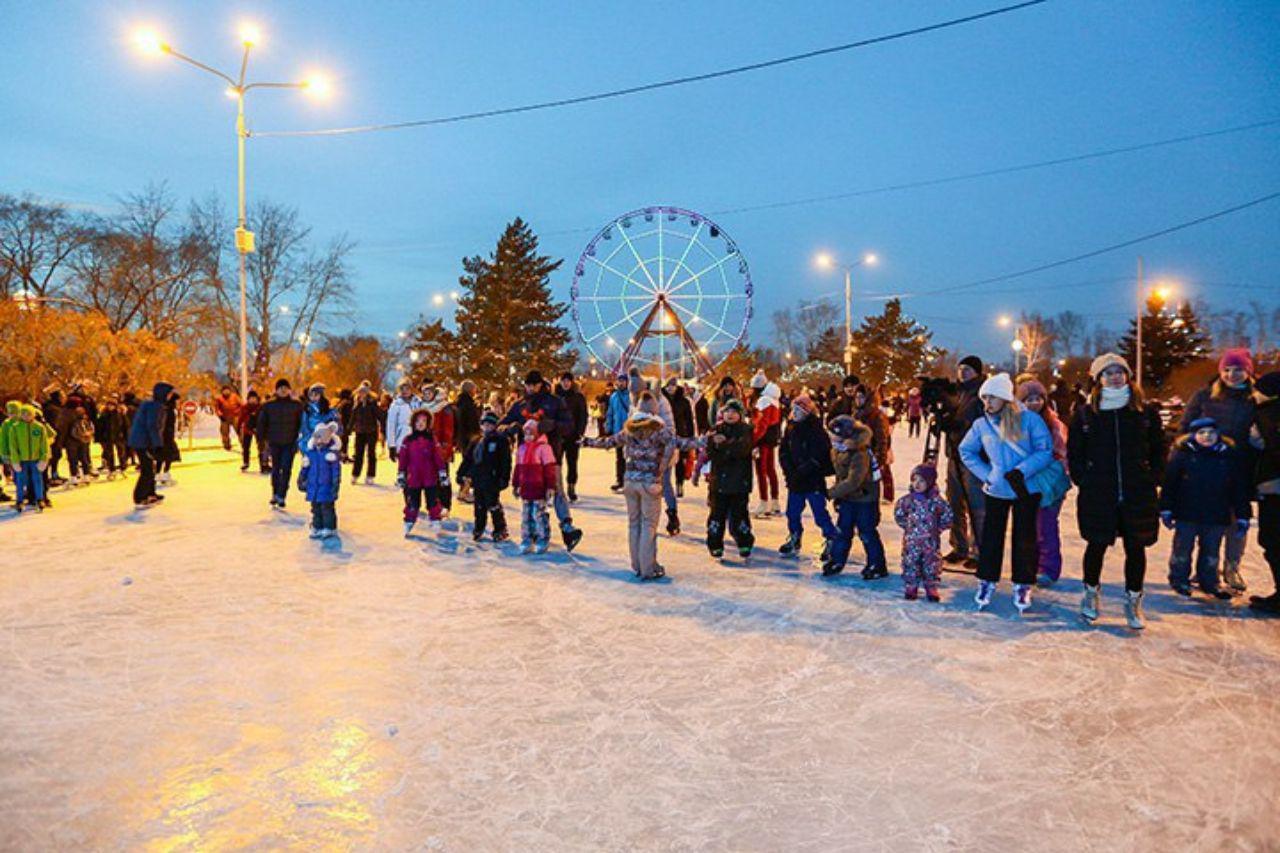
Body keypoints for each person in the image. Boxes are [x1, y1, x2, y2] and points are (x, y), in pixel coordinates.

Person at [1068, 354, 1166, 630]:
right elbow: (1075, 452)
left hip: (1137, 491)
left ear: (1127, 376)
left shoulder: (1144, 412)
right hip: (1099, 492)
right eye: (1107, 373)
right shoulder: (1086, 414)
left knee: (1136, 547)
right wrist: (1084, 478)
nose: (1114, 376)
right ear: (1098, 379)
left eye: (1119, 371)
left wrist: (1153, 476)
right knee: (1096, 544)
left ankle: (1134, 599)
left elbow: (1159, 447)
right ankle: (1090, 593)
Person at [960, 373, 1053, 613]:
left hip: (1026, 488)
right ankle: (987, 580)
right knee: (991, 536)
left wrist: (1022, 471)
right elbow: (966, 451)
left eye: (991, 397)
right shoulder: (982, 424)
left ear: (1004, 397)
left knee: (1025, 538)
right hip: (997, 489)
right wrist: (988, 474)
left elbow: (1045, 450)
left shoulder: (1030, 420)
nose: (987, 403)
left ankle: (1022, 583)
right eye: (984, 398)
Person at [585, 391, 699, 579]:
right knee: (648, 525)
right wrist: (707, 440)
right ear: (655, 410)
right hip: (650, 483)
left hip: (630, 481)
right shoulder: (660, 430)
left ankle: (637, 565)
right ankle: (648, 568)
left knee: (634, 524)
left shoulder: (630, 429)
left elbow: (609, 442)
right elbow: (683, 443)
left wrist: (587, 441)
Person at [1179, 348, 1257, 593]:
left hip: (1240, 467)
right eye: (1227, 369)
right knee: (1208, 519)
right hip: (1206, 467)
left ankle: (1232, 566)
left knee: (1236, 520)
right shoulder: (1204, 396)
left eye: (1238, 370)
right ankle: (1206, 569)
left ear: (1248, 372)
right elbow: (1184, 426)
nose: (1232, 375)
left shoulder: (1254, 399)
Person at [1160, 417, 1252, 598]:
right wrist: (1166, 508)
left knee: (1211, 550)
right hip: (1187, 512)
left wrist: (1243, 515)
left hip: (1216, 514)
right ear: (1193, 435)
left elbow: (1239, 489)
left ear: (1218, 434)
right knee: (1182, 549)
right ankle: (1179, 578)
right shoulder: (1183, 455)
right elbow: (1170, 484)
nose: (1207, 436)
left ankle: (1209, 581)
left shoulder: (1228, 457)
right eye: (1201, 433)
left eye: (1211, 432)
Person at [500, 370, 583, 551]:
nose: (530, 388)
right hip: (528, 460)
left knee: (556, 489)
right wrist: (510, 428)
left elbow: (569, 426)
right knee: (531, 497)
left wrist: (552, 425)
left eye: (534, 385)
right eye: (528, 385)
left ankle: (567, 527)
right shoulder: (519, 405)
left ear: (540, 384)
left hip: (550, 455)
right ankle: (534, 531)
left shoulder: (554, 402)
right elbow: (501, 424)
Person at [1017, 379, 1071, 586]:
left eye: (1038, 398)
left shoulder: (1054, 425)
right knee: (1029, 527)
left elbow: (1060, 452)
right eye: (1029, 399)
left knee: (1046, 525)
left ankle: (1048, 567)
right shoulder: (1017, 424)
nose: (1034, 403)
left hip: (1049, 482)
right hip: (1026, 482)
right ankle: (1031, 564)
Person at [938, 356, 987, 569]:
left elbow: (984, 424)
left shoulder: (982, 394)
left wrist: (960, 424)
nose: (963, 372)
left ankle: (980, 550)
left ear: (977, 372)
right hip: (954, 454)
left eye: (968, 369)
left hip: (975, 457)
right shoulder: (955, 392)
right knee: (954, 501)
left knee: (976, 503)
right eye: (961, 369)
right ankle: (959, 545)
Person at [825, 414, 887, 578]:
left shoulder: (860, 453)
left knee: (866, 531)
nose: (833, 442)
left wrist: (831, 493)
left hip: (865, 499)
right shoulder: (838, 450)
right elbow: (840, 475)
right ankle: (836, 559)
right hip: (847, 498)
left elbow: (854, 481)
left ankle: (877, 564)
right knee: (842, 531)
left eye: (836, 438)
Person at [778, 393, 837, 559]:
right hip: (795, 479)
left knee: (819, 512)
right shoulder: (790, 428)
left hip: (812, 479)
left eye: (799, 410)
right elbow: (783, 450)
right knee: (792, 512)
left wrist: (808, 468)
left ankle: (831, 537)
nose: (795, 413)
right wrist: (789, 469)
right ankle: (795, 536)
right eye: (794, 410)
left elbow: (822, 453)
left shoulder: (816, 429)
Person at [704, 399, 755, 560]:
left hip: (740, 482)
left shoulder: (746, 430)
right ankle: (715, 544)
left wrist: (724, 444)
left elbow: (742, 449)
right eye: (727, 411)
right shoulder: (715, 430)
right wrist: (717, 445)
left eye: (734, 412)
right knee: (716, 515)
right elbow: (711, 452)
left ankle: (744, 541)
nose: (730, 415)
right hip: (718, 482)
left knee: (739, 514)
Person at [894, 464, 954, 601]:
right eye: (914, 480)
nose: (917, 484)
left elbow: (947, 515)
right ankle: (911, 585)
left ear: (930, 482)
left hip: (930, 541)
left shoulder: (936, 501)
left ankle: (931, 585)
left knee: (931, 562)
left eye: (921, 481)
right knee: (910, 561)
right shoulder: (907, 500)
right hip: (912, 540)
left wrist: (938, 528)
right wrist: (908, 527)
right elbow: (899, 514)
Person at [1250, 371, 1280, 615]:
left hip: (1273, 487)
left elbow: (1260, 444)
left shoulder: (1267, 414)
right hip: (1272, 485)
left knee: (1273, 540)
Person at [456, 411, 511, 542]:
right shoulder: (476, 441)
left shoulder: (500, 441)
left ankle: (500, 528)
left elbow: (505, 461)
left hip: (492, 479)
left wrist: (504, 478)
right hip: (477, 478)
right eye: (485, 425)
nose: (487, 427)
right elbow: (468, 459)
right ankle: (479, 527)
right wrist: (461, 474)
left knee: (493, 504)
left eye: (490, 425)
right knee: (479, 505)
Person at [398, 409, 447, 536]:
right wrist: (401, 473)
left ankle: (435, 520)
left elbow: (438, 457)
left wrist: (442, 472)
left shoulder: (431, 439)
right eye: (418, 421)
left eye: (424, 421)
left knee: (432, 501)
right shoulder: (408, 440)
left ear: (428, 424)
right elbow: (403, 459)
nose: (420, 423)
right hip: (413, 477)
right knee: (413, 502)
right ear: (413, 423)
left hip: (429, 476)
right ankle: (409, 521)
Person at [512, 418, 558, 554]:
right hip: (526, 488)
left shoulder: (544, 448)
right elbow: (518, 468)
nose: (528, 437)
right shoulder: (522, 449)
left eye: (531, 433)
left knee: (538, 514)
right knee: (526, 515)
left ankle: (542, 537)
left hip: (539, 488)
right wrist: (515, 484)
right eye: (526, 434)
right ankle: (527, 537)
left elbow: (549, 469)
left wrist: (550, 486)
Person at [257, 378, 305, 509]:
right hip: (274, 442)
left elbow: (302, 424)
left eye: (285, 388)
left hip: (290, 442)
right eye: (280, 388)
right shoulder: (268, 406)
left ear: (289, 390)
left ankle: (282, 495)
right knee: (276, 469)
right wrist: (261, 440)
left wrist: (301, 440)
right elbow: (262, 423)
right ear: (276, 390)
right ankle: (275, 493)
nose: (283, 390)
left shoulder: (297, 405)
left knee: (286, 469)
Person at [128, 381, 172, 509]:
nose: (170, 396)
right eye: (168, 394)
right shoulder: (155, 406)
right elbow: (153, 426)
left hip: (142, 440)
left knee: (150, 468)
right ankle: (140, 497)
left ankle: (150, 493)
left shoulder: (152, 405)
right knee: (147, 469)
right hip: (143, 442)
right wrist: (157, 445)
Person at [2, 404, 51, 512]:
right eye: (23, 414)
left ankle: (39, 498)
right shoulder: (15, 428)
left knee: (37, 479)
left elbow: (44, 444)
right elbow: (13, 445)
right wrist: (15, 460)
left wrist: (44, 458)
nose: (26, 416)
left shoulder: (39, 427)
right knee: (20, 480)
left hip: (35, 459)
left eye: (28, 414)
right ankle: (19, 500)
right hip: (21, 460)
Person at [298, 421, 343, 539]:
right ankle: (317, 526)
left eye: (321, 438)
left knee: (327, 508)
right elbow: (305, 467)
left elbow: (336, 472)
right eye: (316, 437)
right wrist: (301, 479)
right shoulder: (311, 453)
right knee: (315, 508)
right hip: (313, 487)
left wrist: (335, 484)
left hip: (326, 487)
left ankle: (329, 527)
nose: (318, 441)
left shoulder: (331, 455)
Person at [853, 384, 893, 503]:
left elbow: (882, 438)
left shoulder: (877, 416)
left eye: (861, 397)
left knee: (880, 476)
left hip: (873, 454)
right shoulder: (856, 414)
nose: (858, 400)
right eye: (857, 397)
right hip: (859, 454)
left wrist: (880, 457)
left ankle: (886, 495)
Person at [556, 372, 589, 503]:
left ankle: (571, 486)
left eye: (568, 381)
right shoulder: (555, 397)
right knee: (556, 464)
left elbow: (583, 416)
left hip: (572, 435)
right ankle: (557, 487)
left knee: (572, 462)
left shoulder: (578, 397)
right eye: (563, 380)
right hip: (558, 436)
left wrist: (580, 432)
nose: (566, 383)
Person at [752, 380, 782, 517]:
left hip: (762, 441)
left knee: (761, 471)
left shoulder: (764, 401)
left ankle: (764, 501)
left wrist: (754, 439)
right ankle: (775, 500)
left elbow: (761, 424)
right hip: (771, 439)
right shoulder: (774, 401)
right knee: (770, 470)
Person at [348, 384, 382, 484]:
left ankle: (370, 475)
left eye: (364, 392)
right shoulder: (356, 404)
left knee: (371, 454)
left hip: (371, 432)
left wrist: (384, 427)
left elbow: (379, 415)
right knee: (358, 454)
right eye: (360, 392)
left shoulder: (372, 404)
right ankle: (355, 474)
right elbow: (352, 418)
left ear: (367, 393)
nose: (362, 394)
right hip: (360, 432)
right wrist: (349, 429)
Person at [453, 380, 481, 502]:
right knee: (471, 464)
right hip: (470, 438)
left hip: (462, 437)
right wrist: (476, 435)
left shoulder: (459, 403)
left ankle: (463, 490)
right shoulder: (468, 404)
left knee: (467, 462)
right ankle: (464, 490)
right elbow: (471, 422)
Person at [604, 373, 632, 492]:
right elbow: (610, 412)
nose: (621, 383)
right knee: (619, 457)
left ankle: (629, 481)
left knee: (630, 457)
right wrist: (608, 425)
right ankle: (620, 480)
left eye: (623, 381)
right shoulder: (614, 396)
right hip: (617, 430)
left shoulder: (631, 396)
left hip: (630, 431)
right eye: (619, 381)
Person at [297, 383, 340, 453]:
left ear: (321, 395)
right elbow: (304, 427)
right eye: (311, 395)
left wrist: (328, 436)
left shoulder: (329, 410)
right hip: (310, 442)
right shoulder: (307, 410)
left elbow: (336, 427)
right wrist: (311, 438)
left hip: (327, 442)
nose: (313, 397)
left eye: (316, 395)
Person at [385, 379, 421, 463]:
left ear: (411, 389)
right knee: (404, 469)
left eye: (407, 388)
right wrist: (392, 445)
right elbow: (391, 426)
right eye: (402, 389)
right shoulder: (396, 405)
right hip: (402, 441)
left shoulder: (418, 402)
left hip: (418, 441)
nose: (405, 391)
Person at [95, 396, 129, 481]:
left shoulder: (120, 414)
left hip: (119, 436)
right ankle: (112, 470)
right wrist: (99, 438)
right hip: (107, 437)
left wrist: (127, 436)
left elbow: (126, 426)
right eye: (109, 405)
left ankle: (122, 468)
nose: (110, 407)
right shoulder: (103, 415)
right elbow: (99, 427)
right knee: (109, 454)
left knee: (121, 453)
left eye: (112, 405)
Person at [237, 389, 267, 474]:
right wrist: (238, 429)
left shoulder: (261, 407)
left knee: (261, 447)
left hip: (259, 430)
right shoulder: (245, 408)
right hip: (247, 430)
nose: (253, 400)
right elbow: (240, 419)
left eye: (254, 398)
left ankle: (263, 464)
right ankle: (246, 462)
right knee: (246, 447)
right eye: (251, 398)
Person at [64, 406, 94, 486]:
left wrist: (81, 436)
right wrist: (86, 436)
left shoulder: (74, 422)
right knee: (83, 459)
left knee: (74, 459)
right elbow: (91, 429)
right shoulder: (85, 421)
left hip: (74, 442)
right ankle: (85, 475)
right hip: (83, 442)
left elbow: (73, 433)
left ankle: (76, 476)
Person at [213, 386, 242, 452]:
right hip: (224, 417)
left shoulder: (235, 396)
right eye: (224, 391)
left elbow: (241, 405)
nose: (226, 392)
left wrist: (240, 413)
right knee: (224, 432)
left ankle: (244, 444)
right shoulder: (220, 399)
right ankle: (227, 445)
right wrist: (220, 415)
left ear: (230, 391)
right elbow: (217, 408)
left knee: (240, 431)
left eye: (227, 390)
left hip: (235, 417)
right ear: (222, 391)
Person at [335, 388, 355, 457]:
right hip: (344, 423)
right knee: (344, 440)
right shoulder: (347, 404)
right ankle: (343, 454)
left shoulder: (340, 403)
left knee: (343, 440)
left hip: (340, 424)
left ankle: (342, 454)